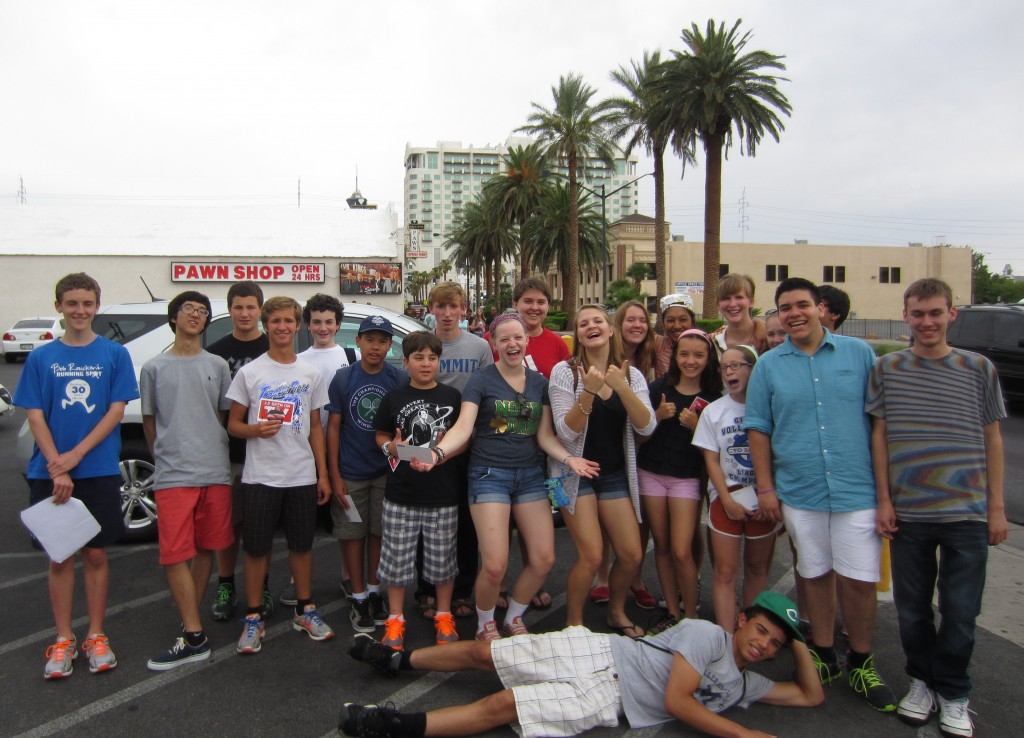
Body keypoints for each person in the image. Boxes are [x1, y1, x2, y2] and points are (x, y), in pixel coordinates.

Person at [341, 590, 824, 738]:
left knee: (507, 705)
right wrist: (747, 735)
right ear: (741, 621)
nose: (763, 644)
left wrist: (798, 638)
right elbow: (678, 701)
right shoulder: (708, 636)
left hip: (612, 699)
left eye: (774, 643)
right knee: (482, 652)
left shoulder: (743, 686)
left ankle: (395, 725)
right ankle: (396, 658)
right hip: (602, 652)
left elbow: (810, 696)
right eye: (761, 630)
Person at [744, 276, 896, 712]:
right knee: (814, 575)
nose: (794, 313)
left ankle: (862, 662)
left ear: (819, 307)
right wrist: (766, 488)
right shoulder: (770, 365)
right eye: (785, 307)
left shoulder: (860, 354)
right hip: (799, 490)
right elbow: (758, 428)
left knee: (859, 579)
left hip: (857, 489)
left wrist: (886, 495)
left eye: (801, 305)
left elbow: (880, 425)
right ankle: (824, 654)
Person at [868, 278, 1007, 737]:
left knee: (962, 612)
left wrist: (996, 509)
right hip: (909, 513)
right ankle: (921, 682)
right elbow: (880, 437)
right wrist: (885, 501)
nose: (926, 321)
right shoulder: (887, 368)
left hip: (967, 513)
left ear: (952, 314)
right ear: (905, 315)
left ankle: (954, 693)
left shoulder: (978, 367)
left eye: (935, 312)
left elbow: (992, 438)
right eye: (917, 313)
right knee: (911, 610)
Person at [415, 313, 597, 640]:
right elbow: (463, 427)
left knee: (543, 558)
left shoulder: (540, 383)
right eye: (504, 339)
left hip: (529, 476)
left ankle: (514, 616)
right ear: (494, 343)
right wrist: (437, 453)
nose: (512, 344)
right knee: (496, 565)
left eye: (518, 338)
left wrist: (571, 460)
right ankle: (486, 624)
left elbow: (544, 437)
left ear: (527, 340)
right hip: (489, 475)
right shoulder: (482, 380)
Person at [16, 272, 139, 679]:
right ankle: (64, 637)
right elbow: (35, 414)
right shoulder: (40, 358)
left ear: (96, 307)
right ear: (59, 308)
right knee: (61, 555)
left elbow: (116, 411)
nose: (80, 311)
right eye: (72, 304)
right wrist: (57, 464)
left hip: (98, 469)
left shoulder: (114, 355)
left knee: (97, 553)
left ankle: (97, 635)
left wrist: (75, 457)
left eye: (87, 303)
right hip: (49, 471)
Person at [227, 296, 334, 654]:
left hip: (301, 475)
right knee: (256, 549)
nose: (283, 327)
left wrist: (322, 475)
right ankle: (254, 616)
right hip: (261, 477)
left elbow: (316, 427)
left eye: (289, 321)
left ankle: (305, 609)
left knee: (302, 546)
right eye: (275, 322)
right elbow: (233, 424)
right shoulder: (251, 372)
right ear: (266, 325)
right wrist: (254, 430)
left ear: (298, 325)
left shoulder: (310, 373)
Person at [549, 305, 657, 639]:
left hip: (613, 474)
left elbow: (648, 425)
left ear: (611, 330)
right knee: (592, 555)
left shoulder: (632, 375)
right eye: (583, 324)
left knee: (632, 554)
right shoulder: (564, 372)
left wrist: (621, 387)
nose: (591, 327)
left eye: (598, 321)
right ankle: (574, 624)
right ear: (577, 334)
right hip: (565, 475)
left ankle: (615, 611)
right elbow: (565, 433)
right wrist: (590, 392)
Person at [141, 291, 233, 670]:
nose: (196, 315)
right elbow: (150, 422)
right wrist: (166, 454)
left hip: (215, 470)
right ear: (174, 317)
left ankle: (190, 625)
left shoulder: (219, 364)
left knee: (207, 547)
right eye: (188, 309)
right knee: (175, 552)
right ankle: (195, 634)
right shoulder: (154, 367)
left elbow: (223, 417)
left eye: (202, 311)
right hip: (174, 473)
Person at [374, 331, 464, 650]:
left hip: (442, 494)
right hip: (401, 494)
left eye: (432, 358)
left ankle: (443, 615)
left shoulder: (453, 397)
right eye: (418, 358)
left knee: (442, 562)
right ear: (407, 362)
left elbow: (461, 439)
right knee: (396, 562)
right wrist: (391, 448)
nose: (426, 364)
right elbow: (382, 436)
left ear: (439, 361)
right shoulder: (394, 398)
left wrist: (434, 456)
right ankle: (395, 621)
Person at [326, 315, 409, 633]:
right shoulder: (343, 378)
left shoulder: (397, 378)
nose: (376, 346)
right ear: (357, 341)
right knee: (352, 534)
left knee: (378, 533)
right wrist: (334, 474)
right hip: (352, 472)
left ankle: (375, 591)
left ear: (390, 346)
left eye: (383, 341)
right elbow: (334, 428)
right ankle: (358, 595)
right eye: (370, 339)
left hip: (385, 472)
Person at [277, 292, 359, 607]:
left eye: (328, 322)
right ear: (307, 326)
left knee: (348, 514)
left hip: (343, 449)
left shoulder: (350, 357)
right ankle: (298, 580)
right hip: (305, 451)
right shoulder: (298, 360)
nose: (323, 328)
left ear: (338, 325)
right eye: (316, 322)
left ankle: (349, 576)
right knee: (301, 520)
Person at [639, 329, 723, 631]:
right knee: (661, 545)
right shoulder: (658, 388)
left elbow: (717, 450)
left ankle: (691, 615)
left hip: (685, 477)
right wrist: (657, 417)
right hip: (651, 472)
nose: (691, 360)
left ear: (708, 358)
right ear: (674, 356)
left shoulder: (714, 399)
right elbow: (638, 437)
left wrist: (696, 426)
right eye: (684, 354)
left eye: (699, 355)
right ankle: (673, 611)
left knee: (682, 549)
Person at [694, 346, 780, 634]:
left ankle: (752, 631)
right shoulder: (713, 411)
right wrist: (727, 499)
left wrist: (772, 495)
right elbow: (711, 460)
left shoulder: (771, 406)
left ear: (754, 368)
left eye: (737, 365)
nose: (730, 371)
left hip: (763, 499)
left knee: (757, 568)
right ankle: (727, 636)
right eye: (724, 367)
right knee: (725, 571)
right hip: (726, 498)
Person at [419, 282, 493, 621]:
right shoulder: (423, 344)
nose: (448, 314)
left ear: (463, 309)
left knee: (466, 522)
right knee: (428, 519)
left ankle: (463, 589)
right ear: (431, 308)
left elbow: (490, 393)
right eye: (441, 306)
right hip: (427, 444)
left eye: (454, 307)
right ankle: (427, 589)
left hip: (468, 447)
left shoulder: (479, 346)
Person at [207, 281, 270, 623]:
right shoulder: (215, 352)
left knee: (260, 528)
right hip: (229, 452)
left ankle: (263, 586)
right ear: (229, 310)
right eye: (238, 307)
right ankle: (226, 583)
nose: (245, 313)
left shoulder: (273, 345)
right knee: (229, 525)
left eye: (251, 307)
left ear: (260, 310)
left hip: (268, 453)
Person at [486, 277, 570, 379]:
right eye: (528, 301)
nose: (534, 307)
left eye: (541, 302)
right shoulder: (491, 339)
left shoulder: (558, 344)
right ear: (515, 304)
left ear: (548, 307)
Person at [710, 274, 769, 355]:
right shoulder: (711, 344)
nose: (732, 304)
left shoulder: (770, 340)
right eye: (726, 298)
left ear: (751, 301)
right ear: (717, 304)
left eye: (739, 297)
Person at [653, 297, 697, 379]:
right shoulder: (658, 344)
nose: (677, 326)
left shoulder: (703, 344)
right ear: (663, 324)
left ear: (693, 322)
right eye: (670, 320)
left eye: (683, 320)